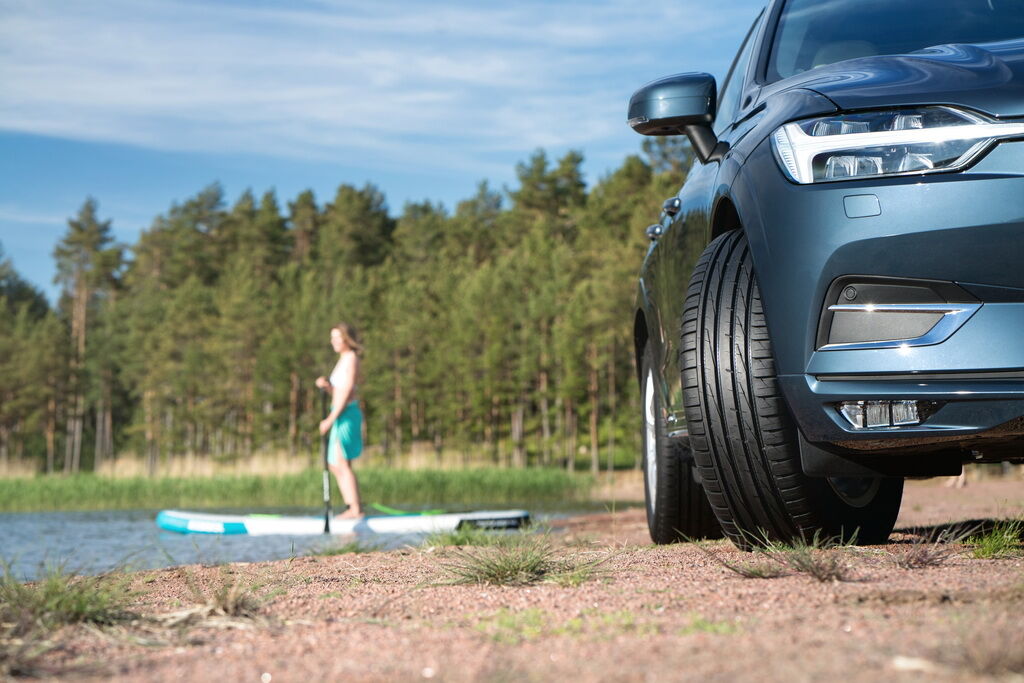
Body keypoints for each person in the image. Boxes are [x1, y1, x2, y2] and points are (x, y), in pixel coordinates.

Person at [315, 322, 365, 519]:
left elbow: (347, 393)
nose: (333, 341)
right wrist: (327, 386)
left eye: (337, 337)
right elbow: (338, 392)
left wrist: (329, 420)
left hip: (346, 414)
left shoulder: (351, 358)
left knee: (342, 462)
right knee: (335, 464)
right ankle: (350, 507)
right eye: (332, 337)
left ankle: (355, 510)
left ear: (347, 339)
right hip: (339, 412)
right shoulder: (343, 359)